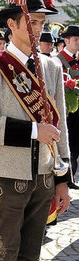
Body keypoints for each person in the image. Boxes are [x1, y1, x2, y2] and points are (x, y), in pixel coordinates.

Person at [0, 0, 71, 261]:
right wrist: (34, 130)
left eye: (42, 22)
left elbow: (58, 127)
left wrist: (63, 179)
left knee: (29, 256)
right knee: (4, 252)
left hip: (44, 172)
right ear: (12, 24)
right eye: (32, 21)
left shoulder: (50, 66)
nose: (39, 28)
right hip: (5, 171)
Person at [55, 25, 79, 190]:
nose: (78, 43)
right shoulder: (58, 60)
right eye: (76, 40)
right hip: (68, 112)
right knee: (69, 146)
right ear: (66, 41)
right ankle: (67, 178)